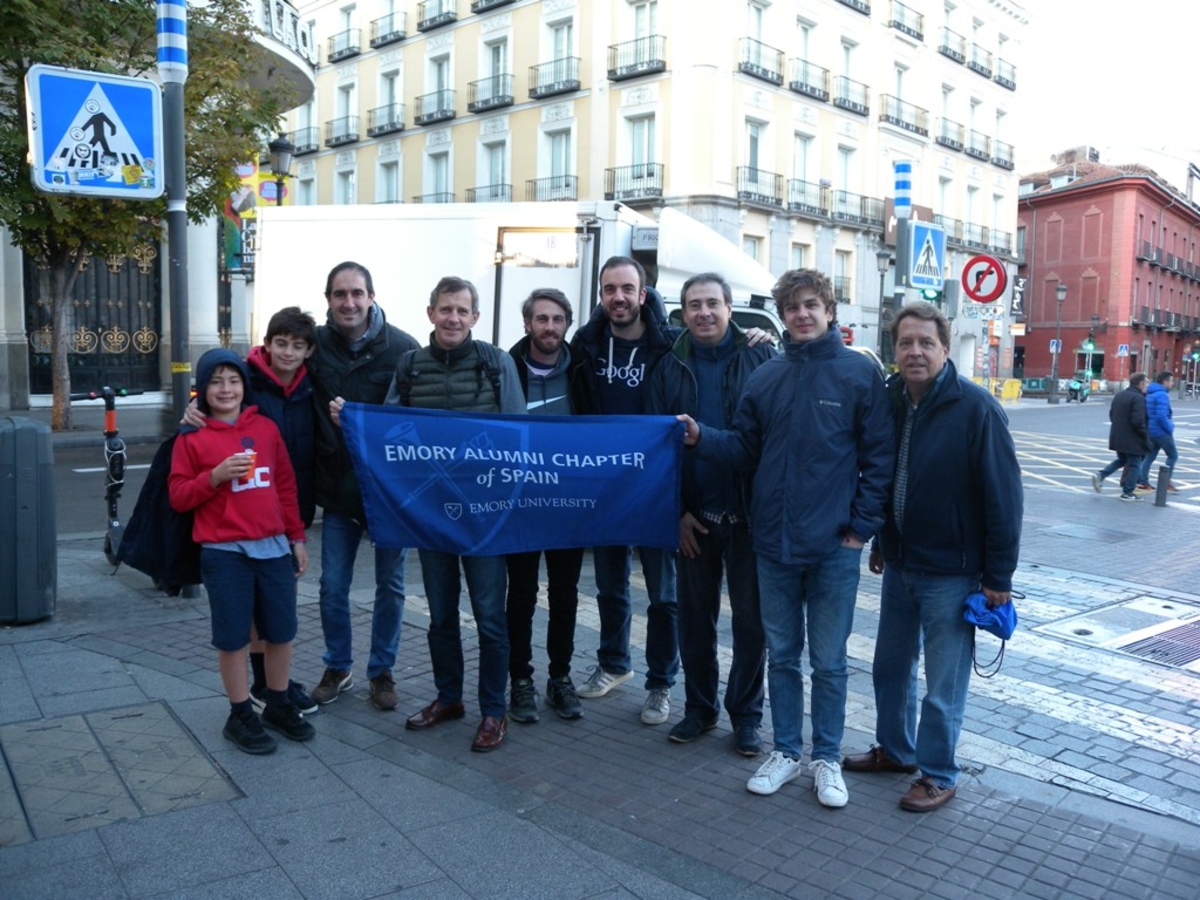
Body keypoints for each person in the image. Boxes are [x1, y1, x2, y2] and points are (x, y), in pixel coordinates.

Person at [679, 267, 894, 808]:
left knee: (829, 661)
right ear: (782, 314)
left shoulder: (857, 374)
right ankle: (786, 751)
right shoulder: (767, 376)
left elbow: (879, 459)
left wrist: (860, 530)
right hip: (772, 543)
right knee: (782, 656)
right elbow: (745, 450)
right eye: (792, 307)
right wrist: (702, 437)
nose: (801, 314)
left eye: (810, 305)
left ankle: (825, 758)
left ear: (829, 311)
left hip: (833, 548)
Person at [842, 302, 1023, 813]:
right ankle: (896, 752)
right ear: (893, 351)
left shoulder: (976, 408)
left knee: (943, 685)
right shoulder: (892, 399)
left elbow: (1004, 497)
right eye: (906, 343)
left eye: (926, 343)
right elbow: (888, 477)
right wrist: (882, 540)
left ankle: (939, 772)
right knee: (889, 670)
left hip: (954, 571)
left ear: (945, 349)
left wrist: (997, 576)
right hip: (901, 563)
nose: (915, 352)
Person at [381, 276, 526, 752]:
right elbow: (387, 435)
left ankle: (492, 711)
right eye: (446, 310)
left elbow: (517, 437)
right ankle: (449, 699)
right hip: (432, 517)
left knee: (489, 618)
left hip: (484, 518)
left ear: (475, 318)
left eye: (462, 311)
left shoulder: (495, 363)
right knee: (441, 615)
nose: (453, 319)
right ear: (430, 314)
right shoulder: (409, 367)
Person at [648, 272, 773, 756]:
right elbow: (657, 450)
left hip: (748, 517)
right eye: (694, 305)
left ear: (729, 308)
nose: (704, 313)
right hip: (695, 518)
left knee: (751, 625)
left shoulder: (761, 356)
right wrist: (676, 513)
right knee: (695, 621)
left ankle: (745, 716)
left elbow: (772, 440)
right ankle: (699, 710)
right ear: (682, 313)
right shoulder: (669, 368)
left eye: (713, 304)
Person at [169, 349, 313, 754]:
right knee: (233, 637)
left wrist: (296, 537)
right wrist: (214, 477)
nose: (226, 389)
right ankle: (240, 712)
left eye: (233, 380)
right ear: (202, 389)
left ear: (244, 386)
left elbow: (285, 486)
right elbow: (178, 496)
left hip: (272, 549)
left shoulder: (265, 429)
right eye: (216, 381)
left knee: (282, 631)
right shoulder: (191, 436)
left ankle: (278, 702)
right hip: (223, 551)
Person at [567, 256, 681, 726]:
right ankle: (615, 664)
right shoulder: (586, 343)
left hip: (655, 487)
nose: (618, 297)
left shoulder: (671, 345)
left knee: (663, 594)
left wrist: (755, 338)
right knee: (610, 585)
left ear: (643, 292)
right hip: (604, 486)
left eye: (627, 289)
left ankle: (660, 684)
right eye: (609, 289)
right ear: (601, 295)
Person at [308, 262, 419, 709]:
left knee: (391, 586)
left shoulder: (403, 349)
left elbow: (417, 420)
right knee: (332, 584)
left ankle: (382, 671)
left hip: (390, 494)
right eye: (340, 294)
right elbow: (265, 368)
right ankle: (338, 665)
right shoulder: (314, 345)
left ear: (372, 297)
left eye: (357, 293)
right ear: (329, 300)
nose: (349, 302)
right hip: (338, 489)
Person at [505, 288, 587, 723]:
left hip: (568, 504)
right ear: (527, 323)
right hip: (520, 505)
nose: (549, 327)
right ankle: (520, 679)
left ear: (567, 325)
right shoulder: (504, 367)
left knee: (566, 594)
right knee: (520, 594)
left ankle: (560, 678)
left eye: (557, 319)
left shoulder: (583, 371)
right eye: (541, 319)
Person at [244, 307, 319, 717]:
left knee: (281, 602)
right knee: (260, 604)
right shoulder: (247, 382)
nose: (288, 352)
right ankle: (260, 683)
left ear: (308, 351)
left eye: (297, 345)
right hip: (253, 510)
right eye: (281, 343)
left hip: (292, 510)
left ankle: (277, 681)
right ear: (268, 343)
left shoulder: (312, 386)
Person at [1091, 373, 1150, 501]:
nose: (1148, 385)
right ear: (1140, 383)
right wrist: (1145, 437)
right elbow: (1138, 421)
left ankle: (1101, 475)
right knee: (1135, 465)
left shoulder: (1120, 395)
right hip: (1133, 439)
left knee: (1122, 460)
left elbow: (1112, 415)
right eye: (1146, 383)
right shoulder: (1138, 398)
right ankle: (1127, 492)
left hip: (1118, 436)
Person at [1138, 371, 1178, 491]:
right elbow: (1162, 415)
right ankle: (1166, 482)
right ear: (1165, 382)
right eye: (1171, 381)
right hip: (1161, 431)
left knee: (1149, 456)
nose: (1172, 383)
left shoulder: (1151, 393)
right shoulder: (1162, 395)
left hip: (1151, 429)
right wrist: (1169, 428)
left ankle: (1143, 481)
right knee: (1173, 455)